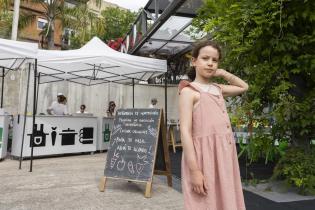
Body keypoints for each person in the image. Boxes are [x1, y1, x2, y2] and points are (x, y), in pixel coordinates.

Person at [179, 40, 248, 210]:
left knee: (226, 197)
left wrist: (223, 73)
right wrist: (194, 170)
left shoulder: (218, 88)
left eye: (215, 60)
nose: (210, 63)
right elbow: (185, 132)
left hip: (224, 154)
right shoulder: (189, 91)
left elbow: (244, 86)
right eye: (205, 58)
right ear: (194, 61)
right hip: (203, 157)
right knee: (206, 201)